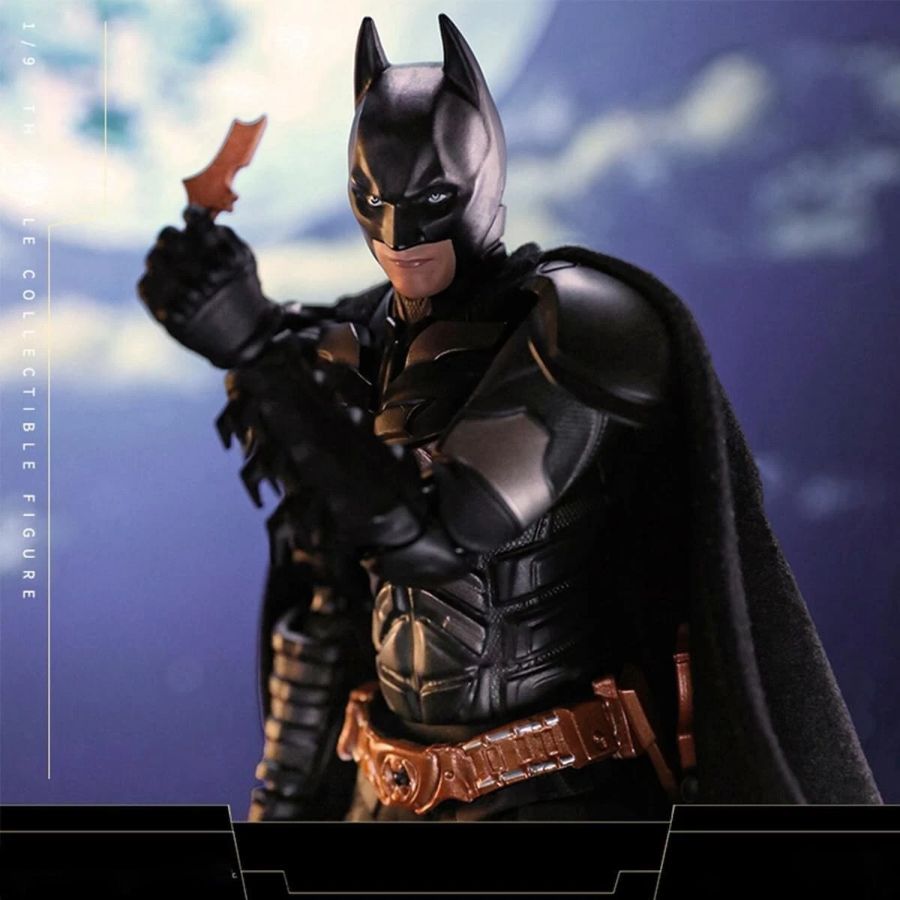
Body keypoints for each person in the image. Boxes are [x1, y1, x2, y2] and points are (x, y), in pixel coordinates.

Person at [138, 15, 881, 821]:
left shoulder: (581, 323)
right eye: (375, 201)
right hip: (380, 798)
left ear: (483, 175)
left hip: (556, 796)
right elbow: (328, 603)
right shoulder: (351, 344)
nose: (399, 233)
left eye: (430, 200)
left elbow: (442, 537)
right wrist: (280, 804)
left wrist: (257, 349)